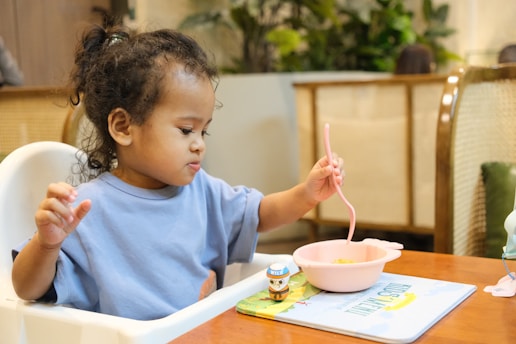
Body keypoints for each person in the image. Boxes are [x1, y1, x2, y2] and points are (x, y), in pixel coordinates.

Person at [10, 24, 344, 321]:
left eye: (204, 131)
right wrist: (47, 244)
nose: (199, 144)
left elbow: (260, 214)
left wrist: (306, 194)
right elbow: (27, 289)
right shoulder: (84, 210)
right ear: (123, 126)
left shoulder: (202, 190)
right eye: (186, 130)